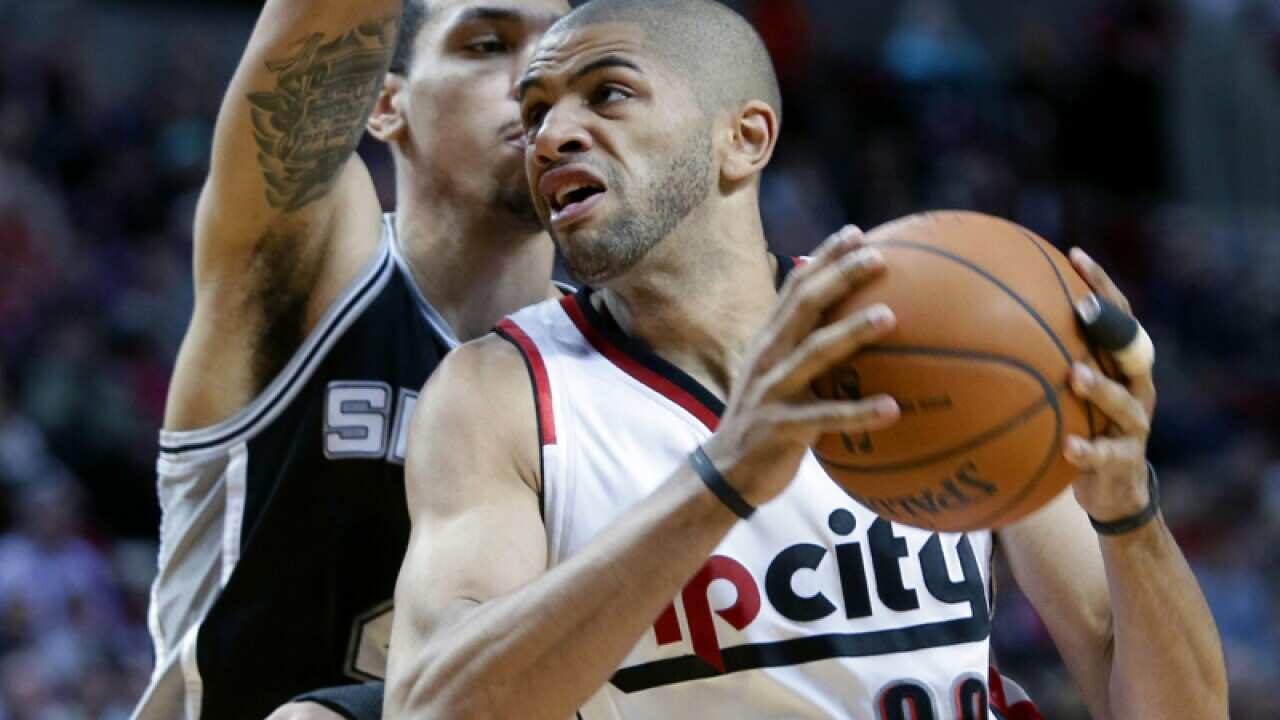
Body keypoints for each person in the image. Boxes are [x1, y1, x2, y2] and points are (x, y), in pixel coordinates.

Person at [384, 1, 1229, 718]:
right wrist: (722, 481)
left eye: (607, 95)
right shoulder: (500, 393)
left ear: (744, 139)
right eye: (535, 112)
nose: (549, 134)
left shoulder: (920, 332)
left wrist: (1128, 511)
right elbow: (428, 704)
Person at [132, 1, 569, 719]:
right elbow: (314, 25)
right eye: (486, 45)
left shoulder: (612, 361)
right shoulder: (317, 269)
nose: (533, 79)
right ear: (387, 104)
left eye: (559, 50)